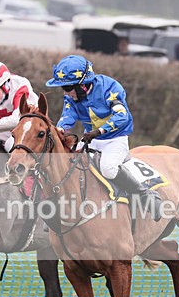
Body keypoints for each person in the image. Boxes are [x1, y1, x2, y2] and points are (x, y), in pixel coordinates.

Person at [45, 54, 162, 220]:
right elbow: (68, 115)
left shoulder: (110, 88)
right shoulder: (71, 96)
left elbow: (122, 116)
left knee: (108, 168)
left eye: (67, 87)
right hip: (91, 140)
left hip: (115, 139)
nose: (65, 92)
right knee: (67, 164)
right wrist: (60, 129)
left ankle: (144, 194)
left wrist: (99, 131)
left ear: (82, 85)